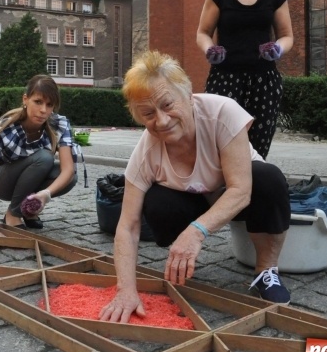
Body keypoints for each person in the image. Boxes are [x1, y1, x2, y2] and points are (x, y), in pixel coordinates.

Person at [98, 51, 292, 325]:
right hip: (195, 200)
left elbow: (241, 190)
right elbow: (127, 226)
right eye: (148, 114)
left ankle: (266, 270)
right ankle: (184, 260)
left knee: (267, 176)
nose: (162, 121)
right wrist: (126, 290)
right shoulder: (145, 153)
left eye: (167, 105)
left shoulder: (222, 112)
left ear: (189, 97)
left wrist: (196, 232)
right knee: (157, 202)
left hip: (240, 198)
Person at [196, 0, 294, 159]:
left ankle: (251, 190)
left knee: (257, 147)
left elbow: (287, 35)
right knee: (220, 142)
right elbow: (202, 32)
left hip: (264, 81)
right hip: (225, 79)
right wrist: (210, 49)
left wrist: (278, 49)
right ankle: (223, 190)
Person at [0, 75, 80, 234]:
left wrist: (45, 195)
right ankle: (13, 214)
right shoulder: (6, 127)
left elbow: (68, 170)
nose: (43, 110)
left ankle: (28, 210)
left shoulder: (59, 124)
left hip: (31, 176)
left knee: (70, 177)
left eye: (49, 105)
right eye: (38, 102)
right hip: (2, 181)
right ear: (25, 99)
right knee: (44, 158)